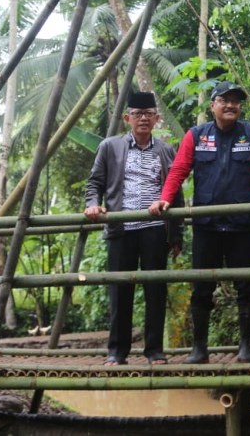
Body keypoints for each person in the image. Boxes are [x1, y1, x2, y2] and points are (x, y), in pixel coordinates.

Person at [149, 81, 250, 364]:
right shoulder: (197, 135)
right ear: (212, 104)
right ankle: (199, 348)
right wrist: (165, 198)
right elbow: (179, 169)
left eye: (235, 101)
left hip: (242, 225)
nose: (230, 105)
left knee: (246, 287)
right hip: (207, 226)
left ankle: (245, 347)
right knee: (201, 287)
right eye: (224, 100)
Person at [85, 93, 184, 366]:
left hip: (155, 229)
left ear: (156, 118)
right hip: (121, 229)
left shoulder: (165, 150)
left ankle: (154, 351)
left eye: (148, 113)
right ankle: (117, 351)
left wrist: (177, 235)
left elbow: (175, 193)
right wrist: (93, 204)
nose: (143, 118)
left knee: (155, 290)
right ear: (127, 118)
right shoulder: (110, 147)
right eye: (137, 113)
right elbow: (95, 183)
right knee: (120, 291)